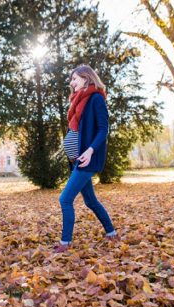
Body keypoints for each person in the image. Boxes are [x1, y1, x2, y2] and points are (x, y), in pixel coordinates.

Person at [55, 64, 118, 253]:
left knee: (65, 199)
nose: (71, 83)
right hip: (77, 160)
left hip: (87, 158)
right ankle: (112, 232)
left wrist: (90, 150)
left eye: (74, 79)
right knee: (90, 201)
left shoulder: (96, 99)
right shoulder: (77, 102)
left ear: (86, 78)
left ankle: (65, 243)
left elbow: (103, 129)